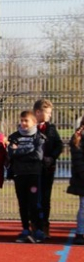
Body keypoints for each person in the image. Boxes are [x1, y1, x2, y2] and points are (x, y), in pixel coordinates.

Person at [7, 110, 46, 243]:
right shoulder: (14, 137)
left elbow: (38, 156)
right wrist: (24, 151)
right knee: (22, 203)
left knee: (34, 203)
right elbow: (11, 153)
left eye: (26, 121)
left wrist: (19, 152)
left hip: (33, 174)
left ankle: (38, 230)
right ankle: (25, 229)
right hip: (19, 174)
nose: (23, 123)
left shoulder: (39, 137)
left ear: (34, 122)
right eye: (21, 120)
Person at [33, 99, 63, 238]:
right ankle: (34, 225)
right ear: (38, 112)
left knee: (45, 198)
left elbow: (59, 145)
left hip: (47, 169)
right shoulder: (28, 126)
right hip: (31, 170)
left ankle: (45, 225)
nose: (50, 116)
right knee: (32, 198)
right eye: (48, 113)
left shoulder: (51, 128)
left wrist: (51, 157)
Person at [66, 116, 84, 245]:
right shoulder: (78, 139)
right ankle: (80, 233)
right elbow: (78, 162)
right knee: (83, 207)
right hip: (82, 179)